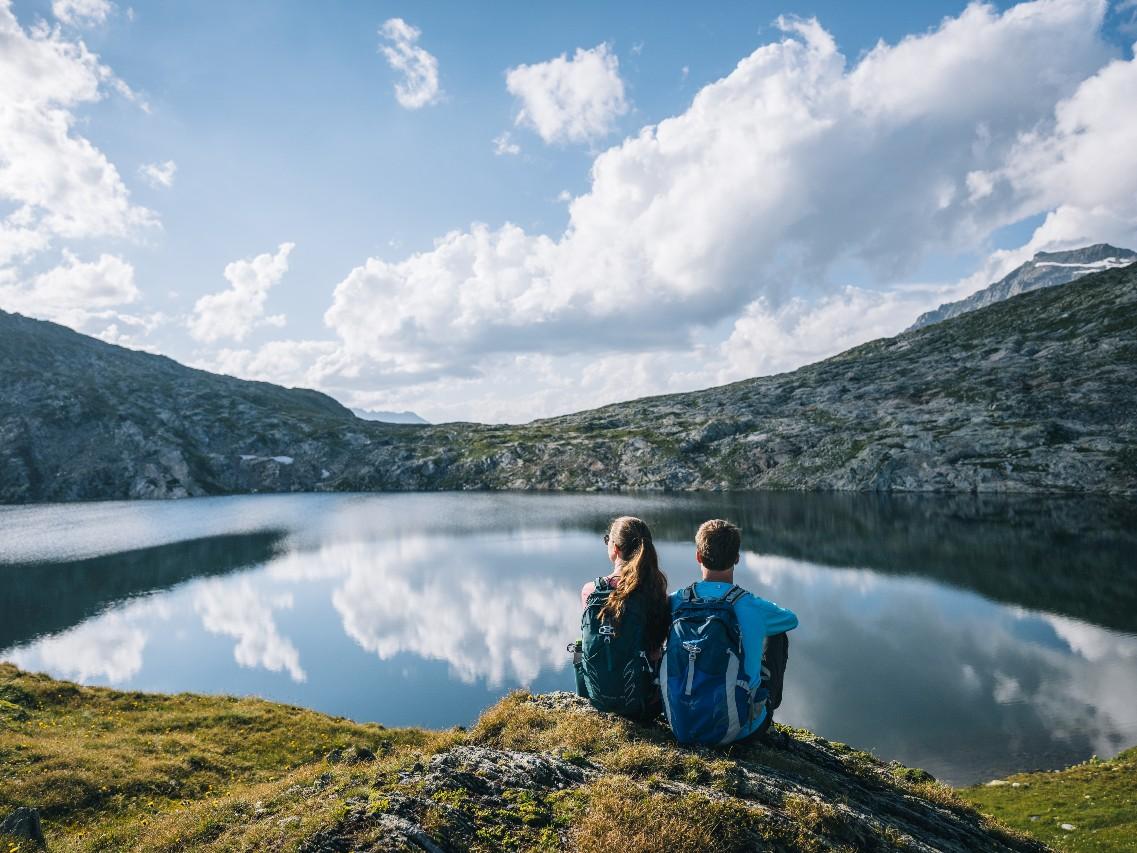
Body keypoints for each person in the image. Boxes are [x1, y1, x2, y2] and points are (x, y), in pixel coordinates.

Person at [661, 518, 798, 745]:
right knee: (777, 635)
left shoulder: (676, 601)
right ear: (737, 558)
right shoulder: (751, 605)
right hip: (739, 730)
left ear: (698, 556)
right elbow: (791, 620)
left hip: (680, 723)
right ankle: (764, 705)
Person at [574, 516, 670, 720]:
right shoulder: (654, 590)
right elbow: (656, 646)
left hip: (596, 697)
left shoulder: (590, 591)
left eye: (607, 540)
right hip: (643, 702)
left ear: (615, 548)